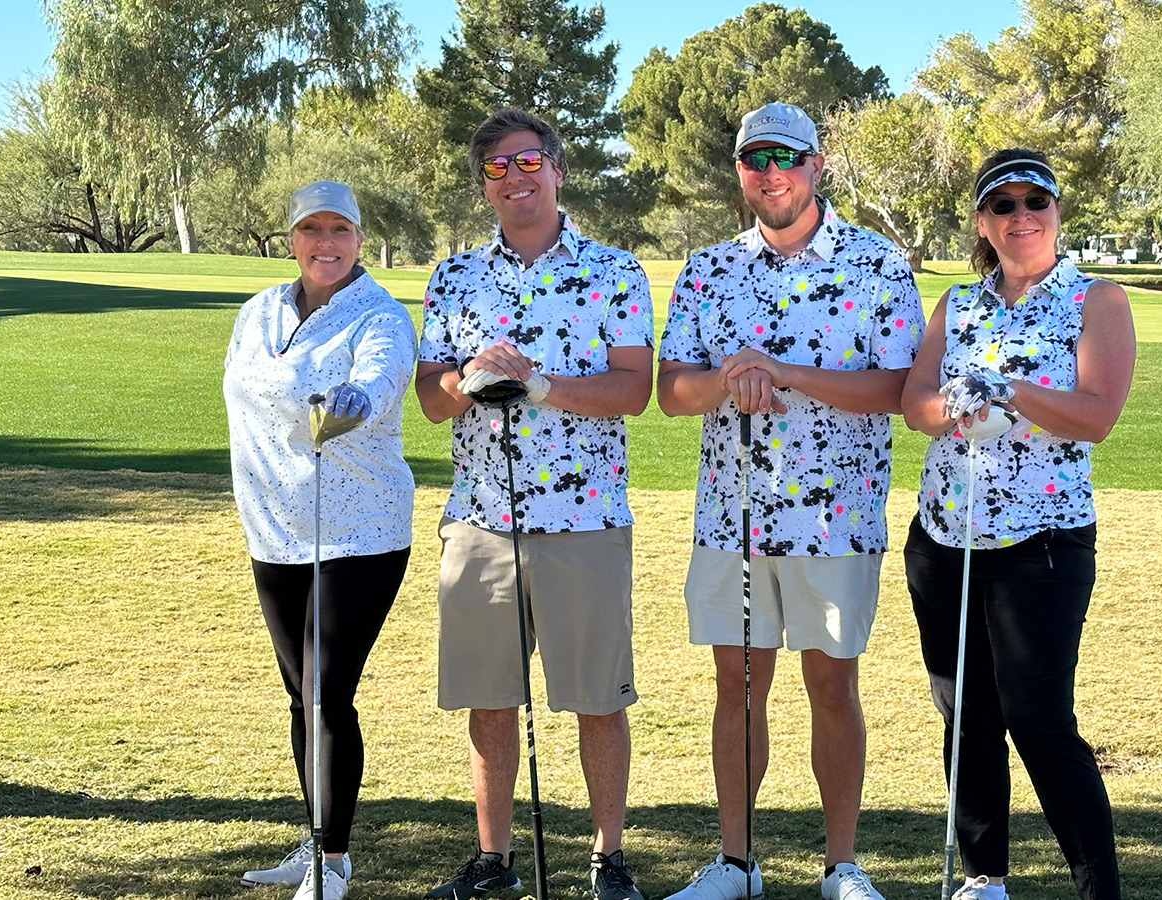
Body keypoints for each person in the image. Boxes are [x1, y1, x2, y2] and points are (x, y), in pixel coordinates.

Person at [657, 102, 925, 900]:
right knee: (736, 688)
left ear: (815, 165)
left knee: (832, 688)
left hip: (836, 517)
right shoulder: (709, 269)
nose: (769, 172)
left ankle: (841, 866)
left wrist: (785, 373)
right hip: (730, 517)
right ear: (739, 172)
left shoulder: (876, 263)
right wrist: (728, 379)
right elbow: (673, 391)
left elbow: (900, 390)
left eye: (785, 156)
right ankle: (736, 864)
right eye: (753, 159)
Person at [414, 108, 654, 900]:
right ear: (483, 185)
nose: (514, 179)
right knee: (489, 699)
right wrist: (468, 377)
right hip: (481, 519)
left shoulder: (615, 271)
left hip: (583, 520)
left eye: (527, 163)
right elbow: (431, 397)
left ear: (556, 167)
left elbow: (633, 390)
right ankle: (494, 862)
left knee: (596, 700)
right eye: (496, 169)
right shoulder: (453, 277)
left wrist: (543, 386)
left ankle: (607, 858)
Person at [899, 149, 1136, 900]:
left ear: (1058, 212)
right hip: (944, 539)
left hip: (1043, 543)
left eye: (1037, 201)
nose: (1022, 216)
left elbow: (1097, 415)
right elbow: (916, 408)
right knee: (966, 713)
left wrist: (1014, 393)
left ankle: (1098, 888)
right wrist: (958, 407)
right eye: (1004, 205)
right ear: (982, 222)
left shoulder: (1097, 300)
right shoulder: (956, 305)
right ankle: (984, 881)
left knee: (1038, 718)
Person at [225, 180, 417, 900]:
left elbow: (381, 380)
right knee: (300, 695)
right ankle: (314, 844)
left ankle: (333, 864)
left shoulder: (380, 316)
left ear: (360, 239)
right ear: (292, 239)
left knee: (328, 693)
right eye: (312, 230)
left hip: (358, 529)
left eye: (340, 230)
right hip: (274, 528)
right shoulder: (260, 310)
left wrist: (351, 402)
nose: (326, 243)